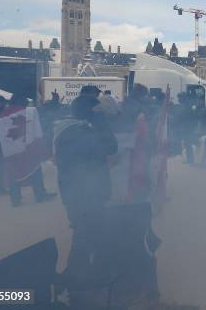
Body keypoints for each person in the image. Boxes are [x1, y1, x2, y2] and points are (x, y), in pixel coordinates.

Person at [53, 94, 118, 284]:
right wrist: (101, 124)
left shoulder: (70, 128)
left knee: (88, 233)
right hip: (85, 192)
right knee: (85, 234)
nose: (102, 116)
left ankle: (87, 273)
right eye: (98, 112)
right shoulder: (79, 132)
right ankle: (76, 278)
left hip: (78, 191)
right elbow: (110, 147)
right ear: (90, 113)